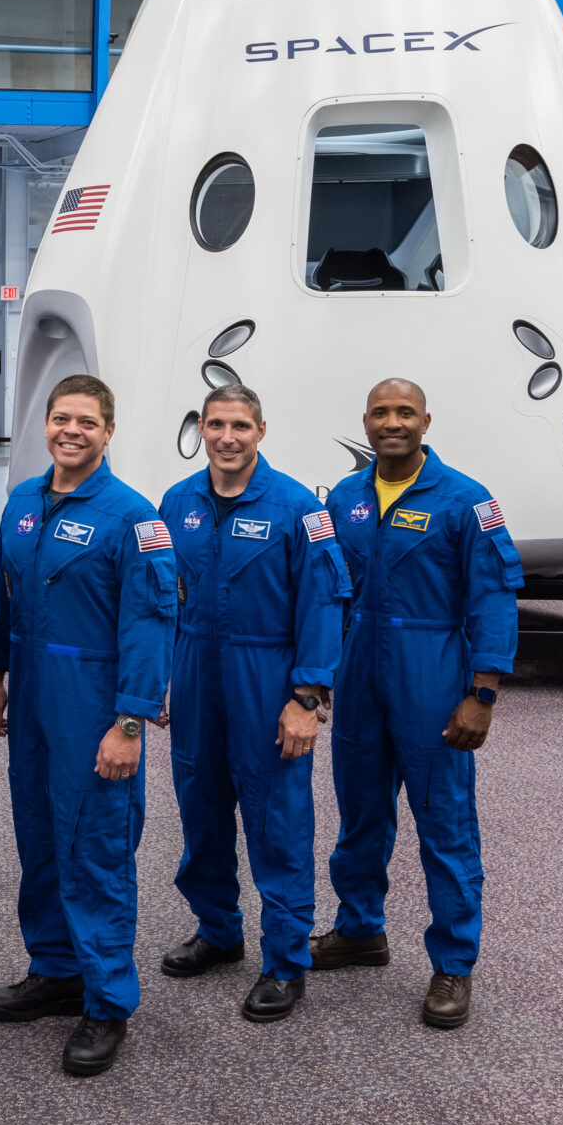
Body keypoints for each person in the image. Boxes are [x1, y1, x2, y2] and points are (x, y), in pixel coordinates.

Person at [0, 374, 177, 1078]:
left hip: (95, 699)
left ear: (108, 430)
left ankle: (106, 999)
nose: (70, 430)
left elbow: (152, 621)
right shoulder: (23, 503)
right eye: (61, 417)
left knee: (95, 846)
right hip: (30, 692)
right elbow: (5, 597)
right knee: (39, 835)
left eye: (86, 421)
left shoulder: (134, 517)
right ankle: (56, 967)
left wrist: (130, 719)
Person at [317, 378, 521, 1031]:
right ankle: (360, 928)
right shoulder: (345, 497)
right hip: (357, 676)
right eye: (381, 411)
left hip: (432, 671)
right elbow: (327, 594)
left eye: (405, 411)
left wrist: (482, 694)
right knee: (360, 812)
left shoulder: (466, 500)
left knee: (445, 822)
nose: (392, 421)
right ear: (366, 420)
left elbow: (492, 598)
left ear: (426, 420)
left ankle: (454, 963)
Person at [154, 383, 349, 1025]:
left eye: (240, 425)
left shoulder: (299, 509)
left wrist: (305, 697)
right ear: (201, 429)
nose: (227, 437)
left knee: (277, 822)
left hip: (267, 677)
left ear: (261, 431)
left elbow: (324, 604)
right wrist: (157, 674)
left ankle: (286, 960)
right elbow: (159, 597)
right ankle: (217, 930)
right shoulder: (176, 502)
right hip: (194, 672)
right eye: (216, 424)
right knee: (201, 808)